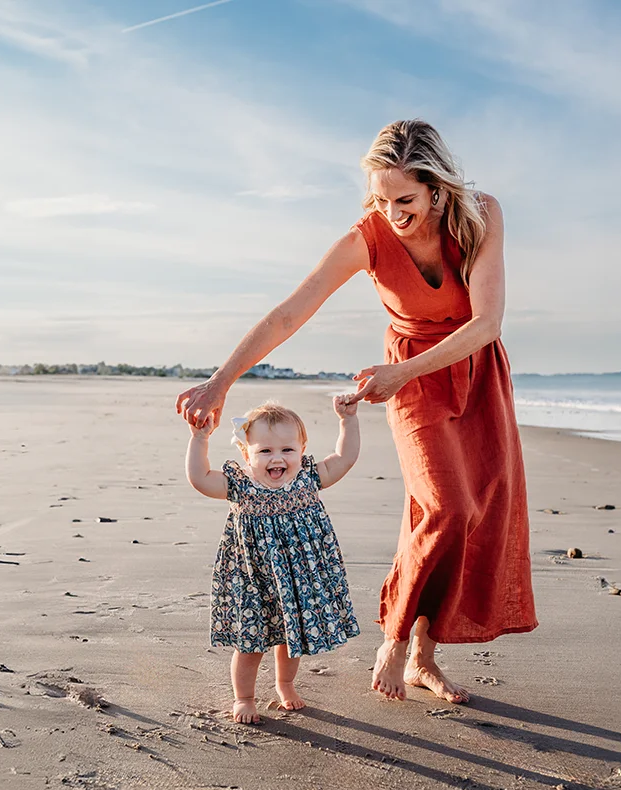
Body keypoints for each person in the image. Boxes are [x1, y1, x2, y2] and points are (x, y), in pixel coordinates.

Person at [177, 119, 537, 705]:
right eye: (380, 198)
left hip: (476, 370)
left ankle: (424, 654)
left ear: (438, 188)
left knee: (476, 515)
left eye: (405, 200)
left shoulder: (481, 215)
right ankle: (393, 641)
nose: (392, 211)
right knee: (445, 507)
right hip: (412, 379)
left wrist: (399, 373)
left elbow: (486, 323)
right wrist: (221, 382)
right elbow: (287, 315)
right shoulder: (366, 238)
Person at [185, 396, 362, 723]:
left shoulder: (309, 479)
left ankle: (285, 684)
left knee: (290, 638)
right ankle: (245, 697)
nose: (277, 458)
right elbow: (199, 478)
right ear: (246, 453)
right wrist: (200, 439)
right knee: (250, 644)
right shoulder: (239, 485)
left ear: (302, 449)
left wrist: (347, 420)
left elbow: (345, 457)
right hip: (253, 580)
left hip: (298, 579)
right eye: (265, 451)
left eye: (287, 450)